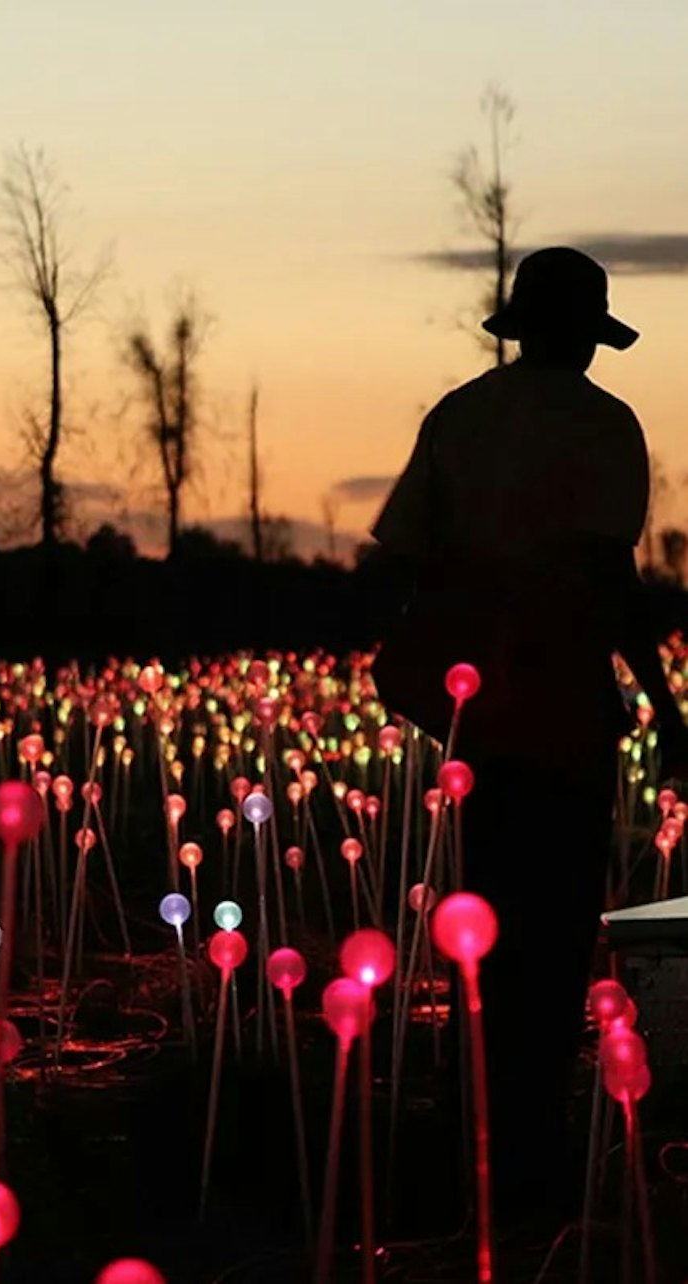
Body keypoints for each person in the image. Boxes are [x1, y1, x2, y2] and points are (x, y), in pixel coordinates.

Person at [370, 247, 688, 1225]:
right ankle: (533, 1164)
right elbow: (610, 588)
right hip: (563, 719)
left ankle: (483, 1136)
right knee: (555, 936)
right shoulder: (604, 427)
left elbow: (405, 567)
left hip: (483, 721)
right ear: (584, 333)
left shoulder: (459, 418)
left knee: (494, 929)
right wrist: (669, 714)